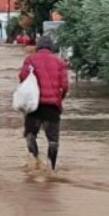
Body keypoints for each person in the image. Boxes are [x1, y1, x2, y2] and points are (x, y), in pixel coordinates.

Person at [18, 34, 69, 170]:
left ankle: (35, 161)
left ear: (38, 46)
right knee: (53, 140)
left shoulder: (30, 59)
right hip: (52, 106)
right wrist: (60, 99)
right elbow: (65, 86)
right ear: (51, 47)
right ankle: (51, 169)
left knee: (30, 134)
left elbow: (22, 77)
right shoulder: (59, 62)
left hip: (33, 105)